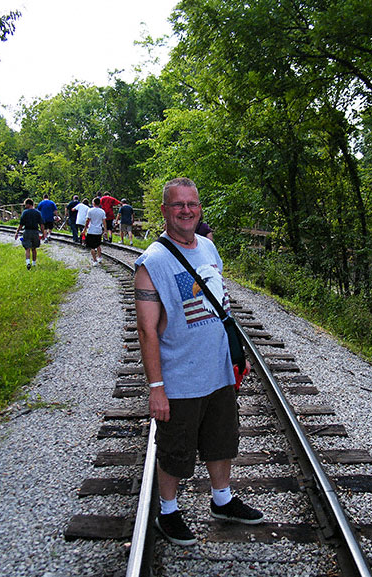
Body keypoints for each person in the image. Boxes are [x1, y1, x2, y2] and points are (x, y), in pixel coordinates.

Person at [134, 177, 260, 547]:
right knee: (175, 450)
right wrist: (156, 388)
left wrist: (234, 354)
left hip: (218, 371)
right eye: (178, 205)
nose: (186, 210)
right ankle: (168, 511)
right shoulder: (151, 263)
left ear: (199, 208)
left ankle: (222, 500)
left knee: (222, 441)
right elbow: (147, 331)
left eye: (192, 203)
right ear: (164, 211)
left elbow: (221, 303)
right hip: (180, 378)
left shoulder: (208, 247)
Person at [14, 198, 45, 270]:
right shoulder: (38, 213)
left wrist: (17, 232)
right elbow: (41, 224)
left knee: (27, 248)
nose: (25, 206)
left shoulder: (25, 213)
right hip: (35, 232)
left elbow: (21, 224)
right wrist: (43, 233)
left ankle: (28, 263)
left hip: (27, 231)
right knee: (34, 249)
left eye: (25, 204)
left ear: (28, 204)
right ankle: (34, 264)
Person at [83, 197, 106, 266]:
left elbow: (88, 221)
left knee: (92, 247)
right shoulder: (102, 211)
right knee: (98, 244)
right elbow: (104, 222)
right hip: (98, 230)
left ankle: (95, 260)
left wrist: (84, 229)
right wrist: (105, 230)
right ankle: (100, 257)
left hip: (91, 230)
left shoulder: (90, 211)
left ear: (93, 203)